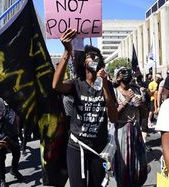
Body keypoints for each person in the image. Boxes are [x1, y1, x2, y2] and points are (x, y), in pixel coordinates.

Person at [52, 29, 118, 187]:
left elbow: (114, 117)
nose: (95, 57)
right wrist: (67, 51)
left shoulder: (106, 85)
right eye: (91, 56)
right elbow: (56, 86)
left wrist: (105, 87)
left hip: (99, 148)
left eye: (97, 56)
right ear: (83, 62)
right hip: (77, 146)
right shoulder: (76, 84)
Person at [112, 67, 148, 187]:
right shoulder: (114, 92)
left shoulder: (137, 90)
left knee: (139, 162)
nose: (126, 74)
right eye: (123, 73)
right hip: (122, 130)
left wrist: (140, 104)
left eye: (128, 72)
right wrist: (126, 101)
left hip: (136, 130)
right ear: (117, 77)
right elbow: (114, 115)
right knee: (124, 164)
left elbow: (144, 114)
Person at [0, 98, 24, 184]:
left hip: (13, 133)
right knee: (1, 158)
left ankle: (14, 170)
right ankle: (2, 179)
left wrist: (18, 129)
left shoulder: (14, 100)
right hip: (2, 134)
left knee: (17, 152)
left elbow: (16, 115)